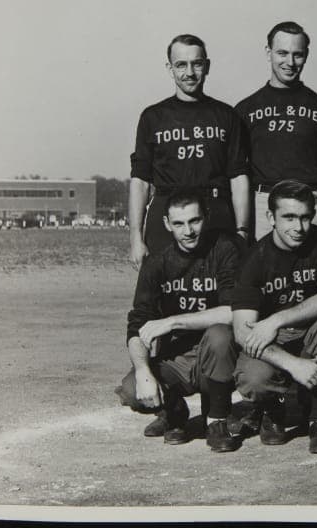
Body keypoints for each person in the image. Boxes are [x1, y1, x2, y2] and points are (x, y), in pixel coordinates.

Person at [231, 180, 317, 454]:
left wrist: (276, 319)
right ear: (270, 218)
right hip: (275, 341)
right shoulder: (254, 258)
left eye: (304, 218)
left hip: (309, 333)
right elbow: (242, 332)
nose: (299, 228)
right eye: (288, 217)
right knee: (253, 376)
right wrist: (292, 364)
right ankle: (271, 409)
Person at [115, 189, 243, 452]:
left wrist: (172, 322)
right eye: (179, 223)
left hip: (219, 353)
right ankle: (174, 413)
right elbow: (138, 324)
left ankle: (217, 419)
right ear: (166, 225)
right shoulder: (157, 263)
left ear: (206, 218)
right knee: (130, 389)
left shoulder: (224, 250)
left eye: (194, 221)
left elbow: (234, 311)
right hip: (179, 359)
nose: (188, 231)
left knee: (220, 334)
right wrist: (142, 371)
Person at [128, 34, 250, 268]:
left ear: (207, 66)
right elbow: (140, 181)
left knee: (221, 294)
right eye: (181, 65)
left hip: (215, 214)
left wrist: (242, 231)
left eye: (197, 64)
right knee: (166, 296)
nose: (190, 72)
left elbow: (238, 176)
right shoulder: (153, 117)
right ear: (169, 68)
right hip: (168, 217)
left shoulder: (226, 115)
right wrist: (135, 237)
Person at [235, 22, 317, 239]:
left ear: (306, 55)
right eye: (282, 53)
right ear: (268, 53)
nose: (290, 62)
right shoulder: (245, 109)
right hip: (264, 205)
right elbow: (238, 174)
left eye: (297, 55)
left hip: (310, 202)